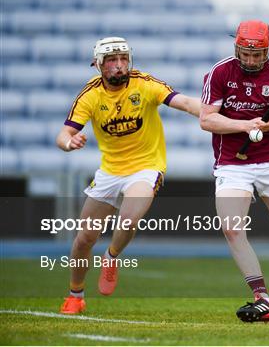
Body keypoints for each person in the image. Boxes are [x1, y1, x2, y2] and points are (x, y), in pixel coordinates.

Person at [57, 37, 201, 314]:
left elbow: (181, 101)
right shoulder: (90, 94)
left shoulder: (144, 83)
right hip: (110, 172)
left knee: (129, 218)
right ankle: (75, 295)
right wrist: (68, 143)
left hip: (146, 167)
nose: (119, 66)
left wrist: (205, 112)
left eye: (123, 59)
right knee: (85, 238)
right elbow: (64, 133)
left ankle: (111, 258)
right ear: (98, 64)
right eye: (112, 60)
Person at [199, 20, 269, 323]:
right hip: (232, 162)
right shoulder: (220, 73)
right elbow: (207, 120)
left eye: (256, 55)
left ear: (266, 51)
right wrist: (245, 124)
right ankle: (263, 298)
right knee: (232, 228)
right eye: (245, 54)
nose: (249, 60)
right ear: (236, 47)